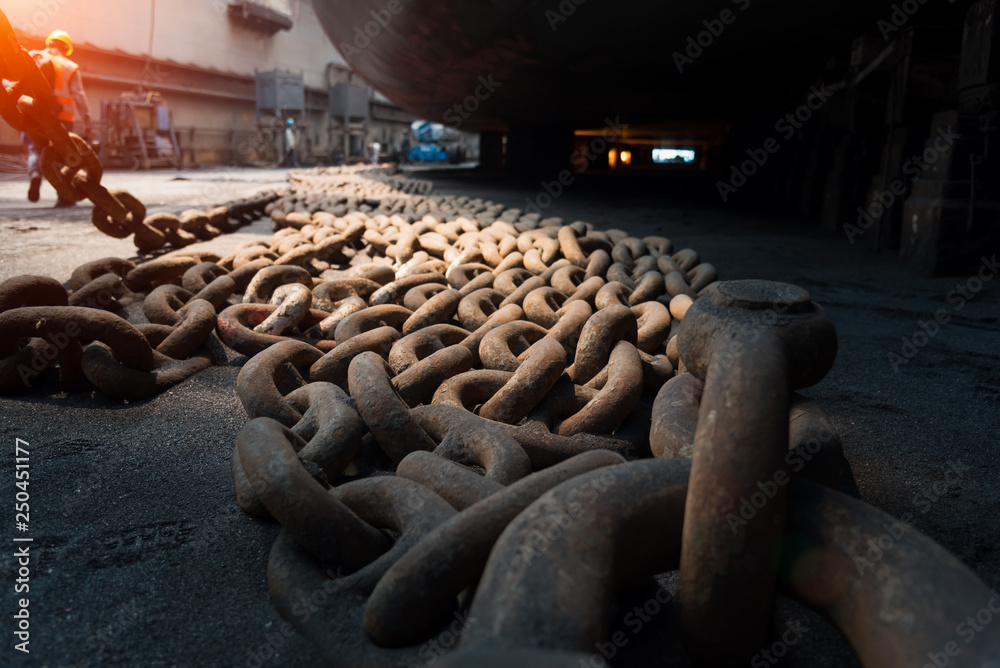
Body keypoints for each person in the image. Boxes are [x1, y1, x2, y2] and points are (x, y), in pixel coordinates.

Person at [23, 29, 95, 205]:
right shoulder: (69, 66)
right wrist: (88, 123)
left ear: (48, 43)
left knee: (35, 149)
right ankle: (64, 196)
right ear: (66, 47)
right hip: (62, 118)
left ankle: (34, 174)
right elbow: (79, 96)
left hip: (33, 114)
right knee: (62, 154)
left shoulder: (34, 58)